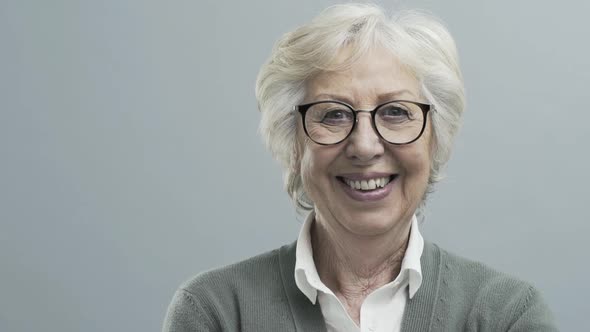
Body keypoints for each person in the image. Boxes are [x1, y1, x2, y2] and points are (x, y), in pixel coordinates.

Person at [162, 3, 558, 331]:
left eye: (396, 112)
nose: (365, 146)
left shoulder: (507, 316)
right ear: (294, 143)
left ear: (434, 139)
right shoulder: (214, 313)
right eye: (333, 114)